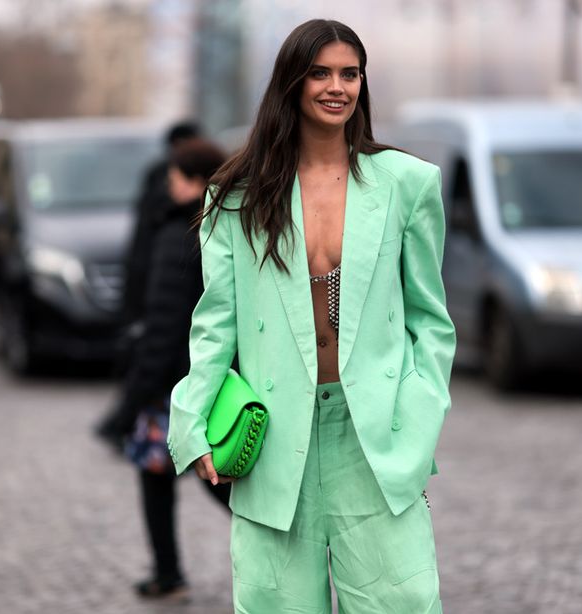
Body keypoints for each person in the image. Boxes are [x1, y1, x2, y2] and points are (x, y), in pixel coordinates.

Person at [167, 19, 456, 612]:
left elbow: (431, 318)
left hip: (373, 434)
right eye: (321, 72)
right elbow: (215, 321)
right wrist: (192, 419)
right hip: (275, 435)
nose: (337, 87)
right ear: (292, 82)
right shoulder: (238, 195)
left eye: (350, 74)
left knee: (403, 602)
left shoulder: (408, 183)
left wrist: (421, 410)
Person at [116, 138, 232, 599]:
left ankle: (168, 574)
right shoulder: (231, 224)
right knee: (200, 475)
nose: (168, 187)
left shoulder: (175, 233)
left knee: (193, 475)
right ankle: (167, 572)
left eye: (175, 179)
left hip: (174, 385)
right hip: (214, 377)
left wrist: (135, 395)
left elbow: (164, 321)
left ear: (196, 183)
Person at [96, 121, 201, 445]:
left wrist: (126, 411)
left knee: (167, 470)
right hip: (190, 365)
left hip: (177, 372)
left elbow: (163, 327)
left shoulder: (177, 230)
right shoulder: (212, 220)